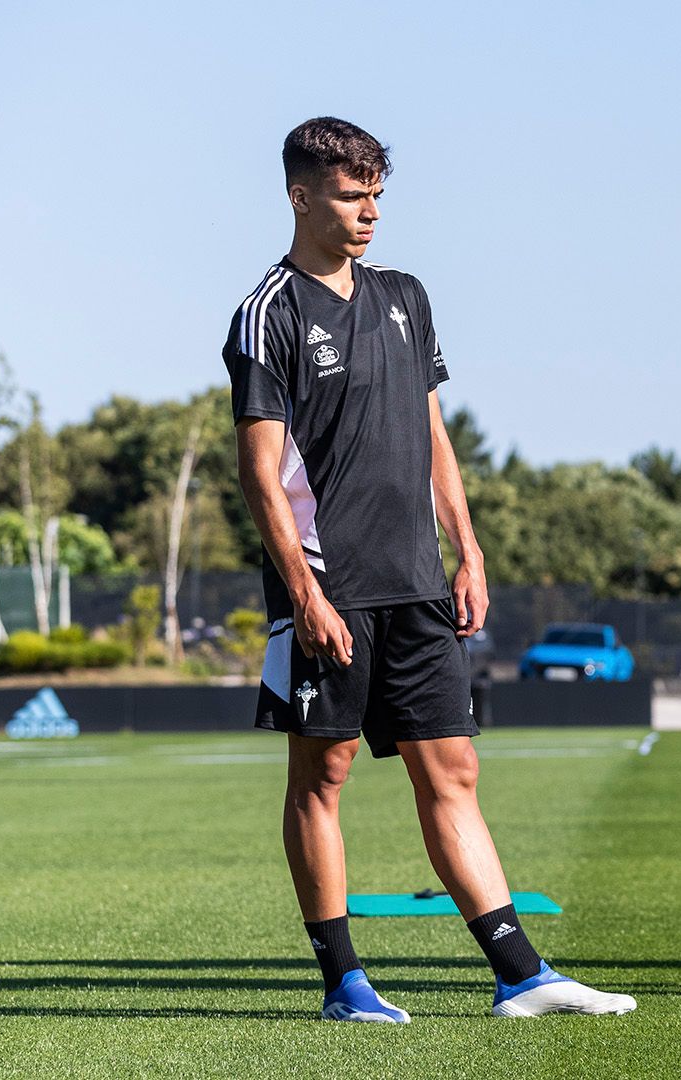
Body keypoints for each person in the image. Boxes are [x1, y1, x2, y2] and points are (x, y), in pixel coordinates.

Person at [222, 117, 634, 1022]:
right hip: (328, 589)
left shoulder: (406, 295)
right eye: (349, 194)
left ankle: (522, 975)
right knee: (321, 779)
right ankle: (344, 983)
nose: (369, 212)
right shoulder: (268, 313)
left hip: (416, 583)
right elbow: (260, 471)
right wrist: (304, 593)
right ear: (301, 196)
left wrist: (469, 547)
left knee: (452, 772)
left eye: (377, 194)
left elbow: (435, 431)